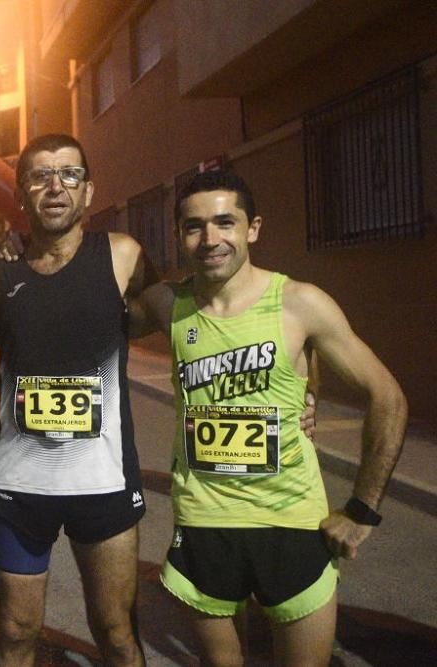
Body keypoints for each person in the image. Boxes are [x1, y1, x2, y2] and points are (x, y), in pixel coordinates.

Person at [134, 169, 407, 666]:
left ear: (252, 228)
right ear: (179, 236)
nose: (210, 239)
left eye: (225, 222)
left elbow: (387, 397)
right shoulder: (166, 304)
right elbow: (86, 318)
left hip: (292, 523)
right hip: (203, 522)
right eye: (194, 226)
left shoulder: (301, 303)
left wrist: (362, 510)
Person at [0, 134, 152, 666]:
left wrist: (301, 388)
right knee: (16, 634)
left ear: (89, 191)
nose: (55, 186)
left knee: (115, 632)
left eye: (69, 174)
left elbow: (201, 315)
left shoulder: (123, 256)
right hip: (23, 488)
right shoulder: (0, 274)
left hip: (104, 484)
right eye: (40, 176)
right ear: (20, 195)